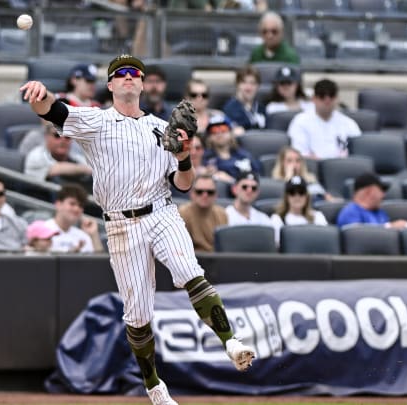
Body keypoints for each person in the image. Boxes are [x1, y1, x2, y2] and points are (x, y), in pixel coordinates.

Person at [20, 54, 255, 405]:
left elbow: (184, 184)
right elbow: (56, 112)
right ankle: (154, 387)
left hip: (161, 212)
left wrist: (185, 154)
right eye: (121, 74)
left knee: (190, 271)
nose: (128, 77)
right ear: (111, 85)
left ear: (142, 84)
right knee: (138, 315)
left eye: (135, 73)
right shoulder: (97, 120)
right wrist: (41, 95)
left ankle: (231, 342)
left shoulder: (161, 128)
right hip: (120, 224)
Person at [288, 79, 361, 160]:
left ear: (337, 98)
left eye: (331, 95)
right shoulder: (300, 121)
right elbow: (298, 154)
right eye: (322, 96)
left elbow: (358, 154)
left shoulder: (349, 124)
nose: (327, 100)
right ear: (314, 98)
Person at [23, 122, 92, 186]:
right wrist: (84, 169)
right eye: (57, 135)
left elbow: (91, 168)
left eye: (67, 137)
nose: (63, 140)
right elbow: (55, 169)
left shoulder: (76, 156)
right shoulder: (36, 155)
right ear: (46, 137)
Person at [336, 172, 407, 229]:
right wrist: (390, 227)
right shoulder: (351, 212)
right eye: (381, 190)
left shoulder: (380, 213)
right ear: (369, 191)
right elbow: (356, 235)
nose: (383, 195)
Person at [45, 183, 103, 253]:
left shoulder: (83, 236)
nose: (76, 209)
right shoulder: (42, 230)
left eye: (80, 206)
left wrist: (94, 235)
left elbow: (98, 262)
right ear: (58, 204)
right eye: (72, 204)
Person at [202, 115, 261, 183]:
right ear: (209, 137)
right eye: (214, 130)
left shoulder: (244, 155)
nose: (219, 133)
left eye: (223, 129)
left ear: (231, 133)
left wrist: (231, 180)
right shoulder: (204, 157)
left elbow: (258, 177)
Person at [269, 176, 328, 244]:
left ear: (307, 196)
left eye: (301, 192)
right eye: (292, 192)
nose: (297, 197)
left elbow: (323, 242)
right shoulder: (277, 219)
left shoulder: (317, 216)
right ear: (286, 196)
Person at [178, 174, 228, 252]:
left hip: (217, 260)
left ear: (216, 195)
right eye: (199, 192)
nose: (205, 195)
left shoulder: (222, 214)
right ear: (192, 193)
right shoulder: (182, 213)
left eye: (210, 192)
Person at [223, 66, 265, 131]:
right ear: (237, 85)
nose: (248, 88)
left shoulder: (261, 107)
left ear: (258, 86)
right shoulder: (229, 108)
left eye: (252, 83)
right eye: (244, 83)